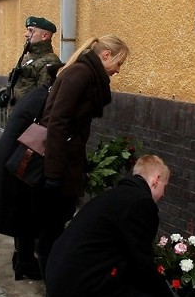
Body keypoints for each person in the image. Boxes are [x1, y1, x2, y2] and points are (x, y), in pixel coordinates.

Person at [45, 155, 175, 297]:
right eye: (165, 185)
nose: (164, 194)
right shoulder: (140, 203)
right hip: (81, 288)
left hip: (60, 280)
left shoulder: (116, 196)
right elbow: (141, 263)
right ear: (155, 180)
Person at [36, 35, 129, 283]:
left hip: (65, 162)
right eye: (118, 63)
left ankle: (51, 282)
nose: (118, 71)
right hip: (57, 165)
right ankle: (52, 289)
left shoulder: (87, 75)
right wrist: (54, 174)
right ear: (106, 55)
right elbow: (57, 123)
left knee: (56, 224)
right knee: (52, 228)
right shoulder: (81, 75)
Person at [0, 83, 53, 281]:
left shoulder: (37, 94)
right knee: (23, 212)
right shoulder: (45, 98)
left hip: (12, 156)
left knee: (21, 211)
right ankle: (24, 263)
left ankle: (22, 260)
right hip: (17, 159)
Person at [5, 16, 63, 117]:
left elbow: (44, 98)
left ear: (44, 36)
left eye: (31, 31)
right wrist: (5, 93)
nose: (26, 34)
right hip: (17, 116)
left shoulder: (49, 61)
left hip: (28, 120)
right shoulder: (28, 57)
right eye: (27, 30)